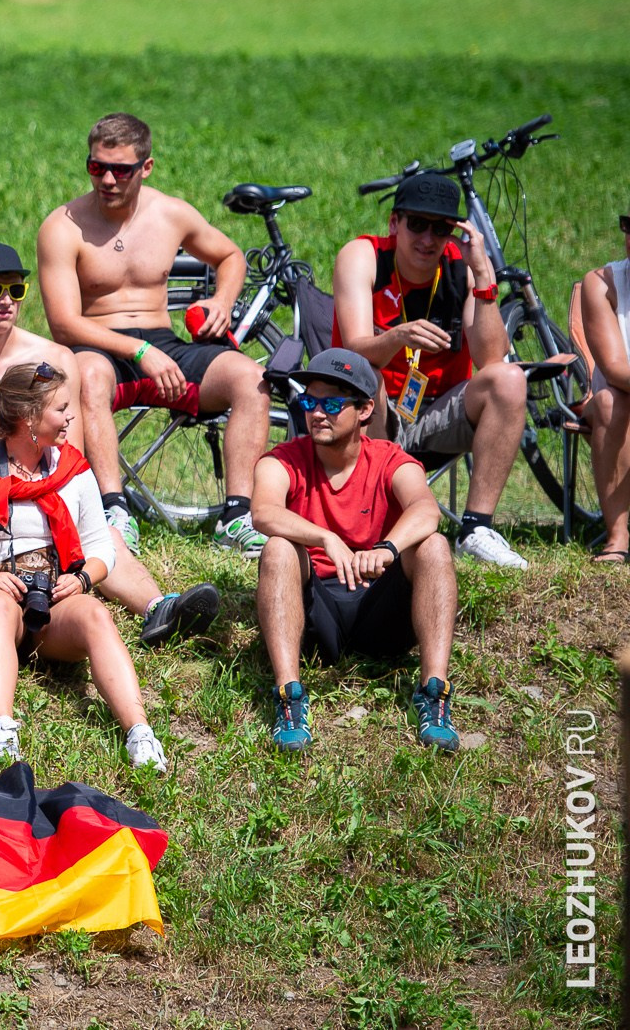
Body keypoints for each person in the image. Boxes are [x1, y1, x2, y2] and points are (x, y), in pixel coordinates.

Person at [0, 242, 220, 646]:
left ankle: (160, 609)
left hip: (38, 496)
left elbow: (69, 459)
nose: (5, 301)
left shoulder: (53, 359)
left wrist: (23, 507)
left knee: (103, 538)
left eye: (15, 290)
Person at [0, 362, 167, 771]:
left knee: (95, 615)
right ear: (30, 417)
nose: (70, 417)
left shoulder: (71, 468)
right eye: (61, 409)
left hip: (50, 600)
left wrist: (82, 579)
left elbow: (101, 546)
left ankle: (140, 734)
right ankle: (3, 732)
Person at [37, 112, 273, 556]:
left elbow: (230, 256)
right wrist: (138, 349)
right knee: (87, 374)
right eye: (96, 167)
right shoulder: (63, 226)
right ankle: (112, 511)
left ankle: (236, 516)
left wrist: (222, 302)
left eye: (121, 170)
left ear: (146, 167)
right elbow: (64, 323)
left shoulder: (170, 213)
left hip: (164, 344)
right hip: (98, 345)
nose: (107, 180)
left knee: (250, 378)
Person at [249, 349, 461, 754]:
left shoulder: (390, 459)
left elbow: (426, 510)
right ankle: (289, 698)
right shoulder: (283, 459)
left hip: (380, 609)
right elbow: (263, 512)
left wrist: (388, 548)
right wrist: (326, 538)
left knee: (433, 545)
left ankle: (434, 694)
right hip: (315, 615)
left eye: (331, 404)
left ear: (364, 410)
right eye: (309, 402)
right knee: (277, 549)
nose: (317, 413)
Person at [330, 173, 532, 569]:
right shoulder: (364, 256)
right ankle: (371, 522)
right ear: (394, 223)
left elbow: (491, 357)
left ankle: (476, 530)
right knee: (367, 374)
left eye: (440, 229)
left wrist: (484, 278)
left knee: (509, 380)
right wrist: (398, 337)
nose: (428, 239)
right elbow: (353, 350)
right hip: (373, 413)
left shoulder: (460, 267)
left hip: (438, 416)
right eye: (418, 224)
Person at [575, 208, 630, 563]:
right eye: (629, 226)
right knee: (612, 400)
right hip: (616, 404)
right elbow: (614, 369)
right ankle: (618, 536)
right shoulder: (603, 284)